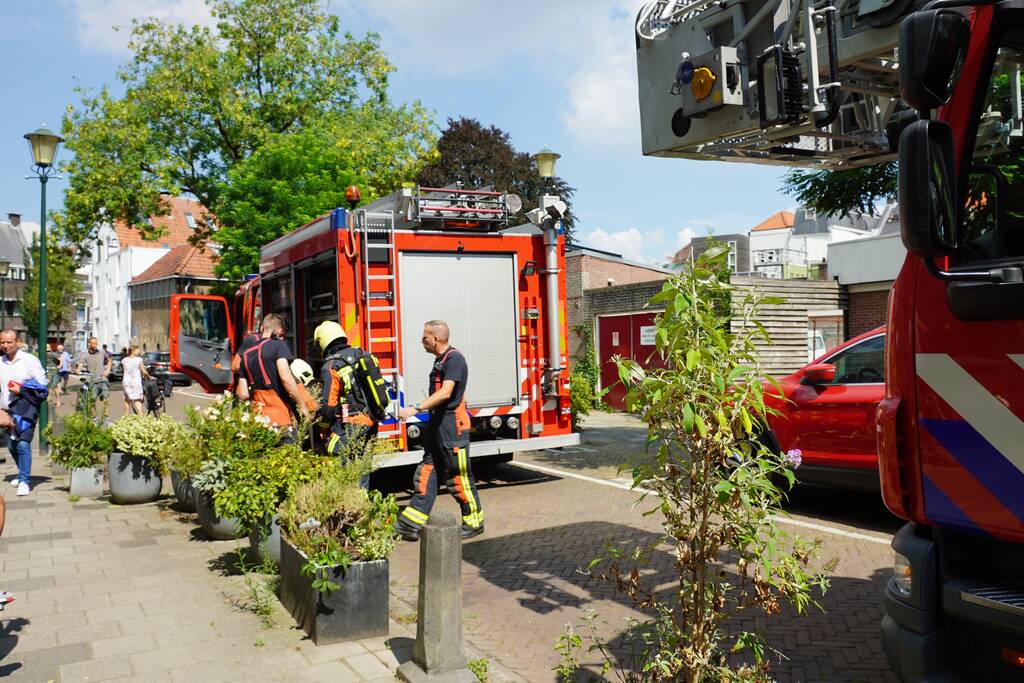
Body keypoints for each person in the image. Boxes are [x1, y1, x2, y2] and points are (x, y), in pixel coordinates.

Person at [395, 320, 483, 541]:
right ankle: (410, 523)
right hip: (438, 425)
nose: (422, 340)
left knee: (458, 477)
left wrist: (415, 409)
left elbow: (445, 393)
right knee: (426, 472)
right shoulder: (441, 360)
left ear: (436, 338)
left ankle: (474, 522)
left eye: (425, 336)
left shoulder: (454, 359)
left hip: (453, 428)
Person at [311, 321, 380, 484]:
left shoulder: (331, 366)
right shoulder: (361, 354)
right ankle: (361, 504)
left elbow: (328, 405)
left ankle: (345, 500)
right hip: (371, 420)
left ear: (323, 342)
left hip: (352, 422)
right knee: (361, 466)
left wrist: (324, 427)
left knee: (333, 451)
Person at [235, 314, 311, 430]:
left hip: (259, 420)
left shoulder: (245, 355)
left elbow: (243, 394)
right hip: (281, 419)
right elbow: (285, 377)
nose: (282, 338)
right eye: (282, 335)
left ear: (262, 328)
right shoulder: (279, 346)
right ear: (279, 331)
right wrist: (302, 405)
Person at [0, 330, 47, 496]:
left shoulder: (30, 361)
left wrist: (22, 389)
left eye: (8, 342)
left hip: (25, 410)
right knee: (12, 445)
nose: (5, 345)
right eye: (2, 342)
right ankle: (23, 474)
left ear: (17, 342)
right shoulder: (0, 362)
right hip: (6, 411)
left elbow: (43, 387)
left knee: (23, 443)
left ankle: (24, 481)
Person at [75, 337, 112, 419]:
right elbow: (80, 364)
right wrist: (78, 370)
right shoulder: (85, 355)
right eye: (94, 343)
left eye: (96, 343)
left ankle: (106, 417)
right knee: (92, 400)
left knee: (106, 399)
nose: (95, 345)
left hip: (103, 380)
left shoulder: (102, 352)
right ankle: (94, 417)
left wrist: (107, 370)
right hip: (92, 381)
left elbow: (109, 360)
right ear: (89, 344)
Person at [121, 346, 152, 415]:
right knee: (137, 400)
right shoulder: (139, 360)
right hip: (136, 382)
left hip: (126, 382)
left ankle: (126, 417)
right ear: (133, 351)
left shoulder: (124, 360)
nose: (139, 352)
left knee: (127, 400)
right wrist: (149, 377)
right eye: (138, 350)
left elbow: (124, 371)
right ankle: (140, 416)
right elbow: (144, 371)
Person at [54, 344, 71, 408]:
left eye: (61, 348)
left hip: (65, 369)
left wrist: (70, 367)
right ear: (57, 349)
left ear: (63, 349)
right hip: (59, 370)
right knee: (58, 381)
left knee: (66, 380)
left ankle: (64, 387)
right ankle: (60, 389)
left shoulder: (66, 354)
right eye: (59, 348)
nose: (60, 349)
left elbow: (69, 361)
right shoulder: (55, 354)